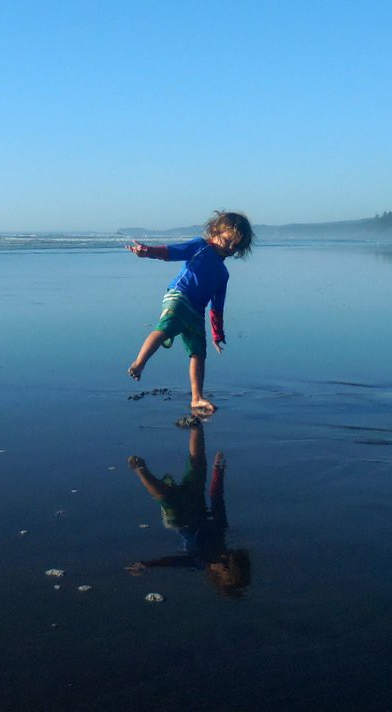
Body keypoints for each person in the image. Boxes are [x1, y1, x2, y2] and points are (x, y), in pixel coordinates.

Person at [126, 211, 253, 414]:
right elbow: (171, 252)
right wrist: (147, 251)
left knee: (198, 353)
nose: (230, 248)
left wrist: (217, 335)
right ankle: (139, 363)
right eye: (228, 240)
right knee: (165, 328)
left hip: (197, 311)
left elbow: (217, 307)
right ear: (215, 231)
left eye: (235, 246)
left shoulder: (223, 274)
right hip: (179, 296)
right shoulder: (200, 247)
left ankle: (197, 398)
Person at [125, 425, 251, 597]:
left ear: (217, 577)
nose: (226, 566)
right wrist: (218, 470)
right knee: (198, 466)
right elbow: (216, 499)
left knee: (166, 496)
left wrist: (148, 564)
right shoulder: (221, 533)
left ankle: (141, 470)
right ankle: (196, 426)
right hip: (196, 503)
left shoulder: (199, 561)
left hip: (179, 520)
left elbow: (173, 562)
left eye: (226, 574)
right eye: (231, 568)